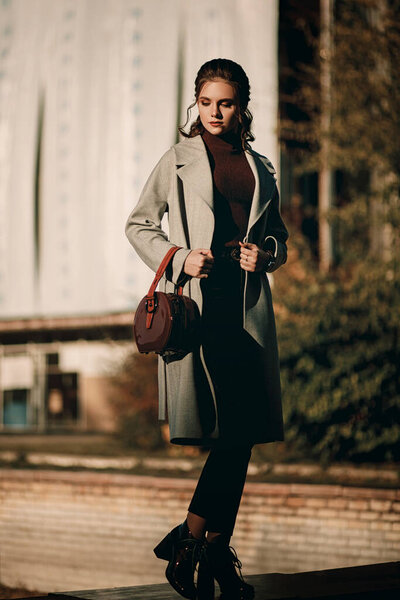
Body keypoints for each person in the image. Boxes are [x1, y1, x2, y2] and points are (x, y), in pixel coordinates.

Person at [125, 58, 289, 600]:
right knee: (233, 433)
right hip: (200, 310)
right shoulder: (177, 159)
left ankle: (200, 546)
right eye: (206, 102)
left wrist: (262, 255)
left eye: (225, 103)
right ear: (195, 104)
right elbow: (138, 223)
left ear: (242, 106)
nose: (214, 113)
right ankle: (202, 544)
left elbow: (280, 239)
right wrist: (177, 258)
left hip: (248, 310)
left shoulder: (261, 165)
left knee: (239, 436)